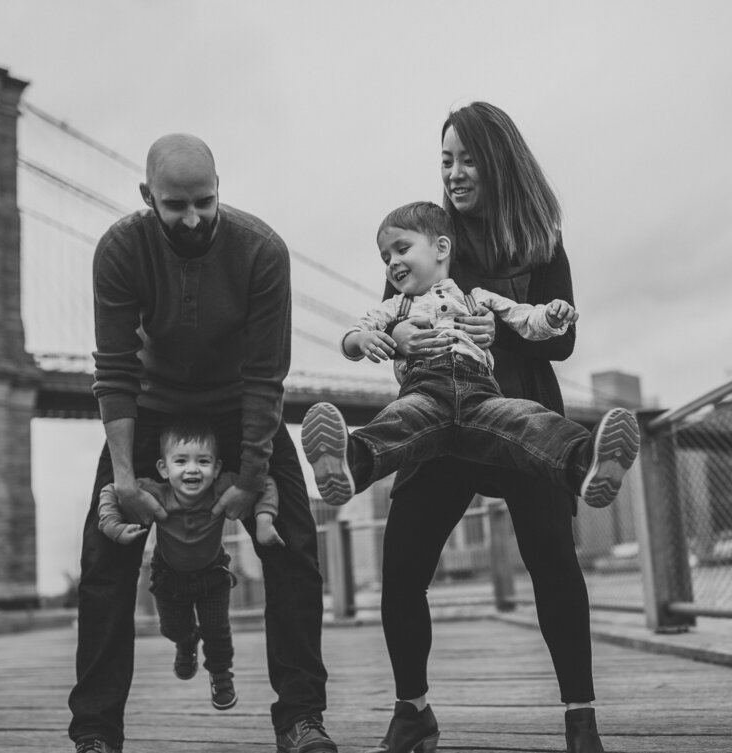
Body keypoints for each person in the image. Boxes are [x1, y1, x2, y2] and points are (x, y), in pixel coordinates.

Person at [67, 134, 337, 753]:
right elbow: (115, 372)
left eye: (205, 202)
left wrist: (248, 479)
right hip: (153, 405)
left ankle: (301, 717)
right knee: (103, 565)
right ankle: (95, 731)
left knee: (293, 548)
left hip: (238, 398)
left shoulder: (262, 251)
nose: (193, 218)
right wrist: (126, 480)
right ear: (147, 198)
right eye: (175, 205)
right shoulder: (119, 250)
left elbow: (266, 376)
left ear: (221, 191)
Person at [368, 102, 614, 753]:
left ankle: (580, 718)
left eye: (466, 157)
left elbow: (559, 345)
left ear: (498, 159)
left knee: (554, 565)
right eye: (445, 158)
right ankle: (413, 709)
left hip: (520, 418)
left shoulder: (539, 239)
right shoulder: (428, 235)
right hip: (444, 425)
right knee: (402, 567)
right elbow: (394, 315)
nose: (453, 171)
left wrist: (493, 322)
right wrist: (399, 333)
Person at [301, 201, 639, 514]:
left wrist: (551, 316)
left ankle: (586, 463)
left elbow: (524, 319)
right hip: (426, 395)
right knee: (396, 422)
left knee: (529, 419)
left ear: (441, 249)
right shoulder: (397, 306)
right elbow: (353, 335)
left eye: (402, 249)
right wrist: (365, 339)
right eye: (385, 258)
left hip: (480, 397)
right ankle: (349, 463)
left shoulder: (476, 298)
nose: (392, 263)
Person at [97, 415, 284, 711]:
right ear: (164, 468)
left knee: (217, 630)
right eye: (181, 461)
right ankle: (186, 642)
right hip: (168, 576)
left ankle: (221, 675)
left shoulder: (223, 487)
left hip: (212, 575)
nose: (192, 469)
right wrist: (113, 526)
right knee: (171, 628)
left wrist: (264, 519)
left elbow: (265, 482)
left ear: (217, 467)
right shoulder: (156, 492)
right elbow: (111, 490)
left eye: (203, 461)